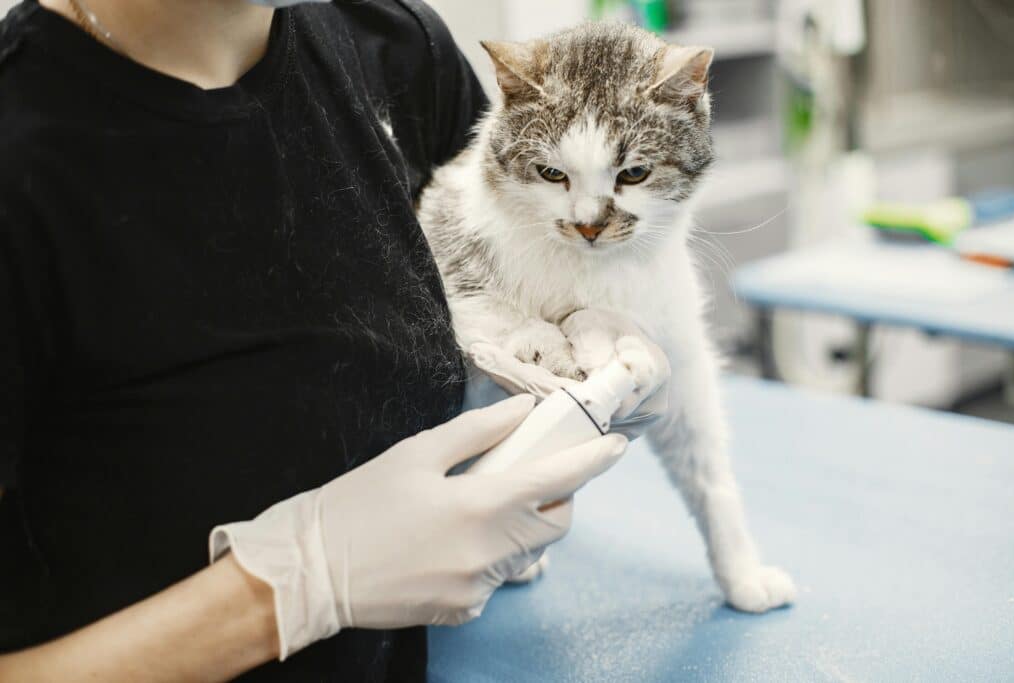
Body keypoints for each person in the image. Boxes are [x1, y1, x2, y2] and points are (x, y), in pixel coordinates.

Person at [0, 0, 636, 680]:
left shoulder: (396, 51)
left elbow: (534, 274)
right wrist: (288, 588)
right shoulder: (24, 158)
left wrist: (594, 328)